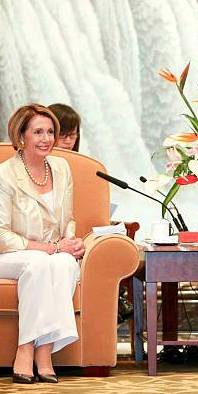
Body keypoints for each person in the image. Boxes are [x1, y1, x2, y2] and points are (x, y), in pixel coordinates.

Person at [0, 104, 86, 384]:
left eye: (51, 131)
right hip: (2, 256)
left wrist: (68, 243)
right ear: (21, 136)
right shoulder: (2, 174)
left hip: (52, 254)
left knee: (65, 263)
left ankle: (45, 351)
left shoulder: (61, 168)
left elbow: (68, 219)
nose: (47, 138)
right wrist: (49, 248)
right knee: (42, 261)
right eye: (38, 132)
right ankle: (25, 348)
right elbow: (0, 236)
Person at [48, 102, 134, 324]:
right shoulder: (35, 168)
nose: (68, 141)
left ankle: (115, 306)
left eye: (72, 135)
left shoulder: (86, 169)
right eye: (62, 135)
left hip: (84, 238)